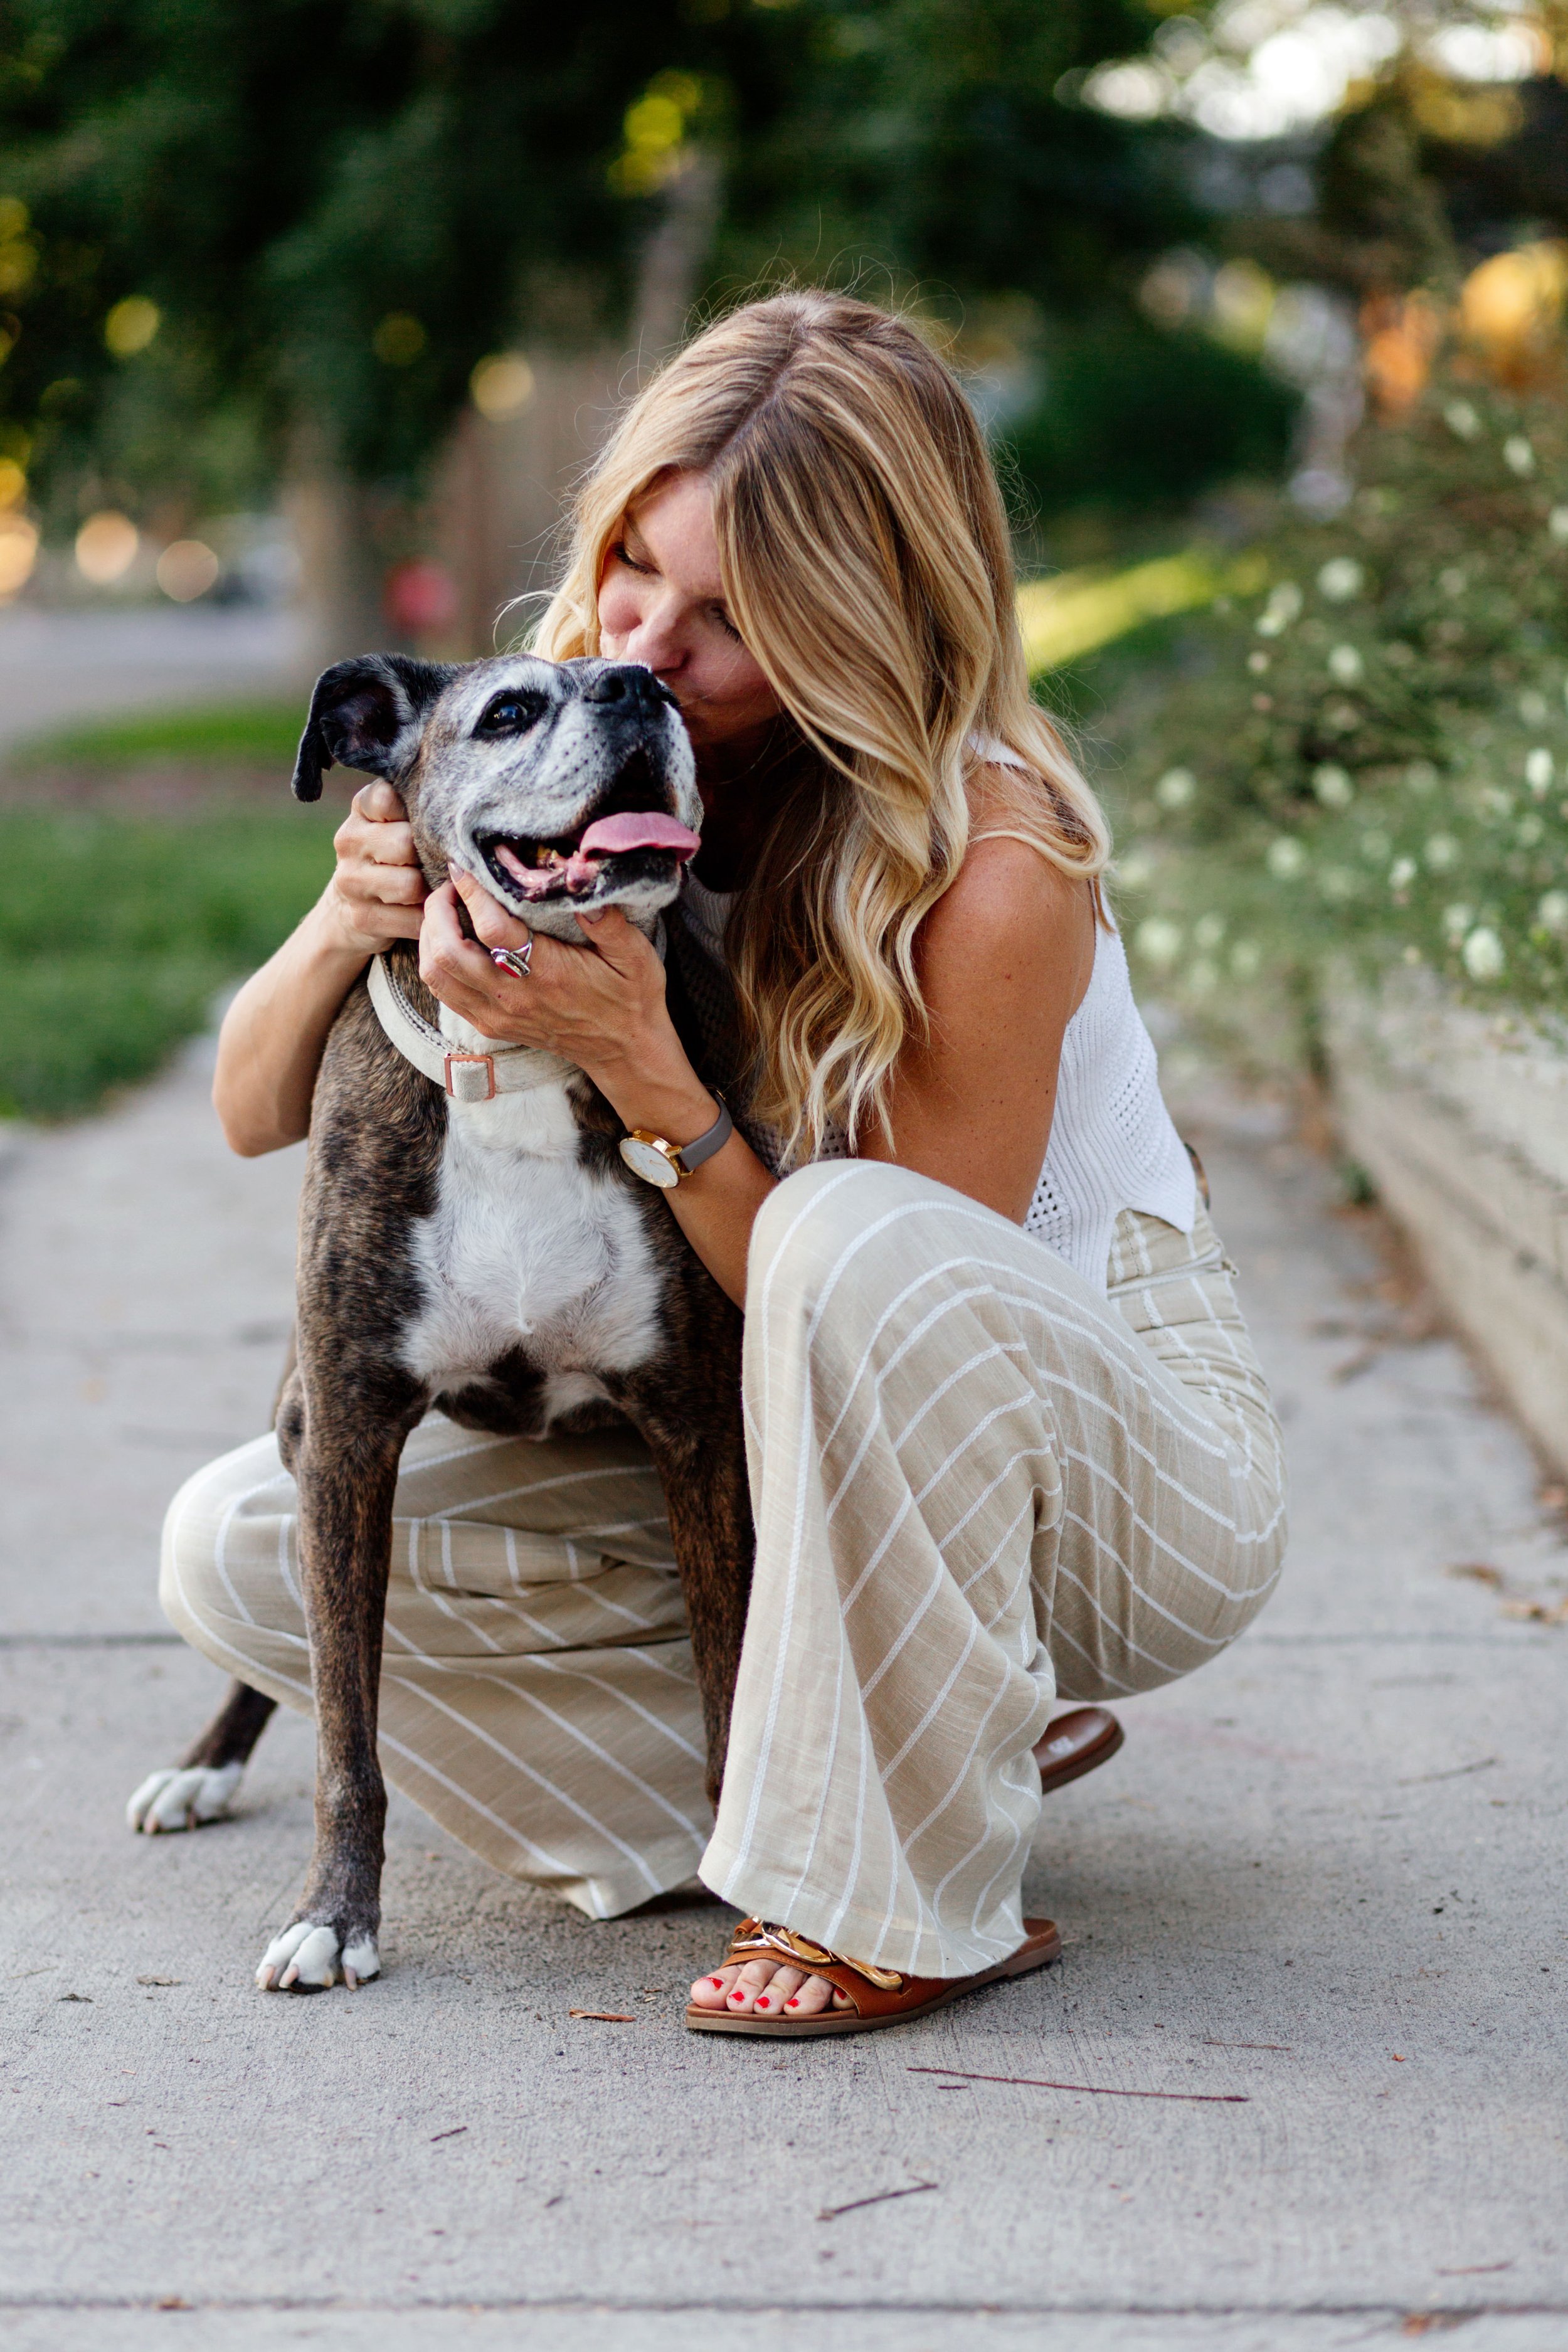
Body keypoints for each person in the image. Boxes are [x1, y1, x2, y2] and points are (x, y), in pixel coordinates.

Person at [159, 292, 1286, 2036]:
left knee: (851, 1224)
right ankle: (902, 1754)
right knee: (234, 1545)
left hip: (1095, 1468)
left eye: (726, 618)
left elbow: (871, 1315)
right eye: (631, 570)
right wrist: (340, 925)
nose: (644, 647)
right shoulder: (567, 745)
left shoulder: (991, 859)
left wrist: (631, 1055)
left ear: (860, 618)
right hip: (790, 1448)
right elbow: (252, 1115)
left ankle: (900, 1888)